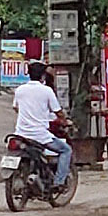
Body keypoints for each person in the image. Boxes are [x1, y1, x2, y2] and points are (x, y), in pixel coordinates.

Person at [13, 62, 72, 192]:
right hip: (40, 135)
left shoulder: (20, 89)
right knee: (66, 150)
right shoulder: (46, 91)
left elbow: (15, 107)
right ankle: (59, 182)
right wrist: (65, 121)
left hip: (20, 134)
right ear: (43, 76)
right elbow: (58, 111)